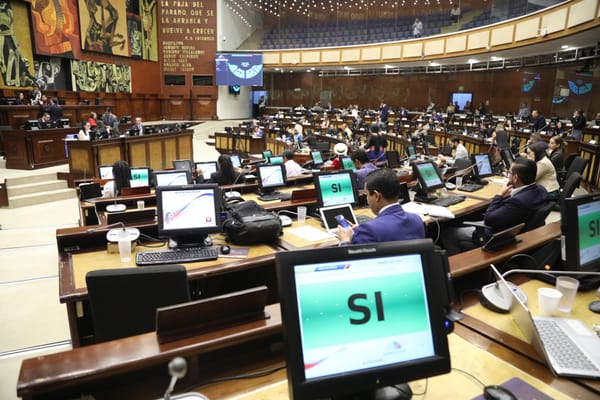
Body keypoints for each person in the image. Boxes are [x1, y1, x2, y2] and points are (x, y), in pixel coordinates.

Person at [441, 158, 549, 255]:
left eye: (509, 173)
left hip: (496, 237)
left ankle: (457, 269)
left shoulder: (518, 202)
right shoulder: (541, 190)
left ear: (516, 178)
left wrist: (499, 195)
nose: (508, 175)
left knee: (447, 233)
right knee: (463, 221)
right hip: (516, 231)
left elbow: (488, 219)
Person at [338, 168, 425, 245]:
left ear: (376, 196)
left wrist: (345, 241)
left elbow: (352, 262)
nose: (367, 199)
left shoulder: (368, 230)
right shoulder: (416, 219)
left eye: (367, 194)